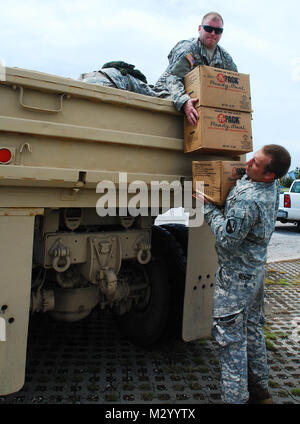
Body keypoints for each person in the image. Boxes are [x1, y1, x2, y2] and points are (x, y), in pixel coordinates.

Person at [193, 145, 291, 404]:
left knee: (230, 342)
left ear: (269, 174)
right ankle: (261, 390)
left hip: (236, 278)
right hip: (256, 272)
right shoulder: (273, 188)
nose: (247, 165)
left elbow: (227, 240)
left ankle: (235, 398)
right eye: (252, 158)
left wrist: (207, 207)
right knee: (253, 330)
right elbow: (248, 183)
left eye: (255, 164)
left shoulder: (249, 199)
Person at [153, 12, 237, 125]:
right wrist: (184, 102)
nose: (213, 33)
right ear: (199, 28)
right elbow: (172, 79)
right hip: (169, 95)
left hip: (199, 105)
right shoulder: (187, 49)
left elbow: (236, 84)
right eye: (208, 29)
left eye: (218, 31)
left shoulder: (225, 58)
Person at [79, 61, 157, 97]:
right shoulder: (137, 82)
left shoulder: (110, 71)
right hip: (105, 84)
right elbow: (155, 95)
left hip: (82, 79)